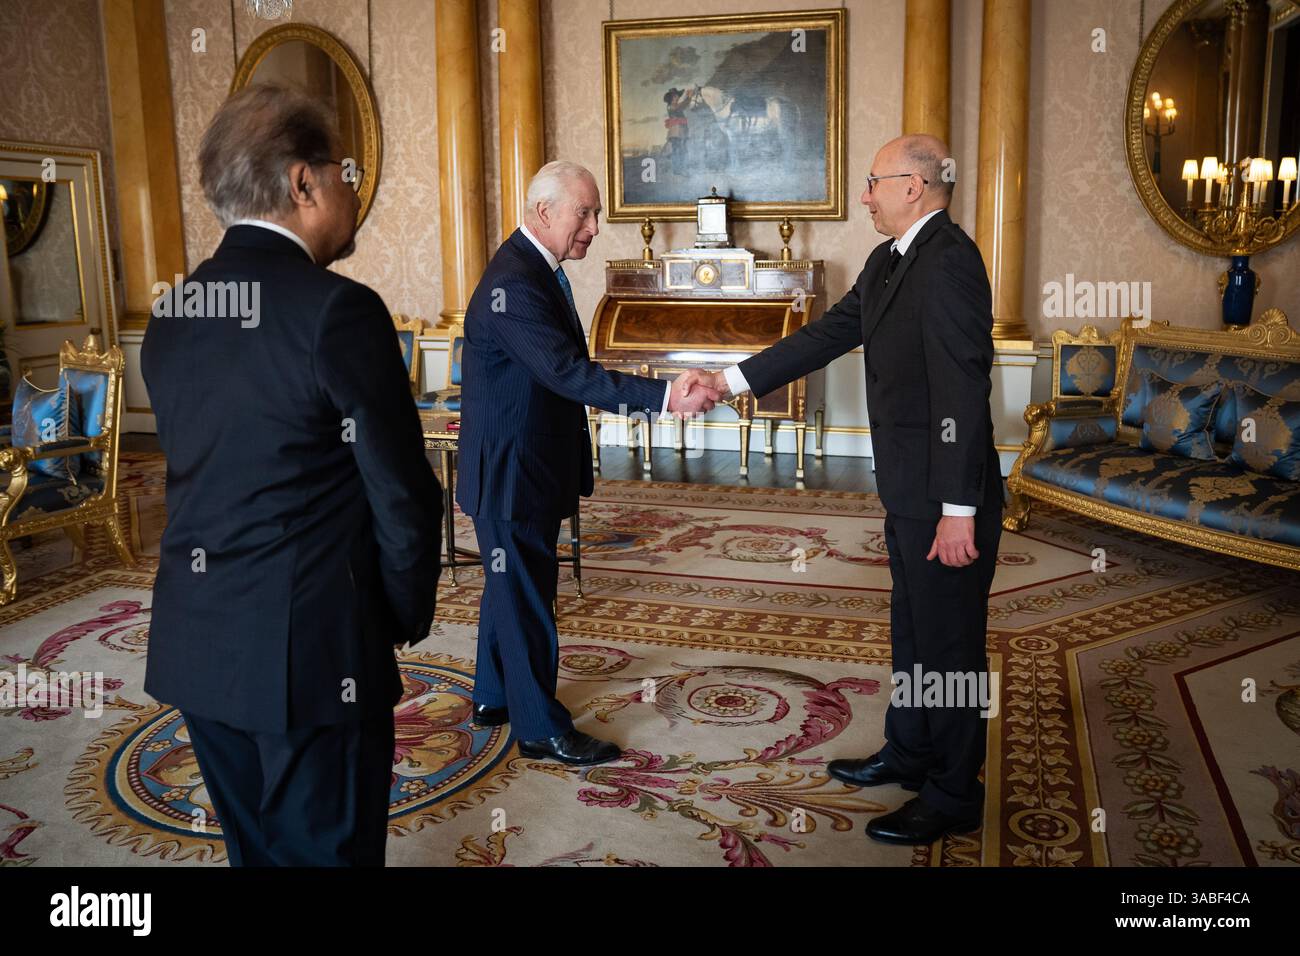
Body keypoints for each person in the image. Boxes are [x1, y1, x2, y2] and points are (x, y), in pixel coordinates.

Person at [141, 84, 444, 865]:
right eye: (344, 170)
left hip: (201, 645)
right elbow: (402, 494)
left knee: (257, 854)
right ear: (303, 182)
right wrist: (400, 615)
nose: (353, 188)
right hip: (315, 658)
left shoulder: (174, 315)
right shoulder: (338, 311)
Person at [687, 134, 1002, 844]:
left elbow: (963, 390)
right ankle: (912, 749)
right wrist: (728, 381)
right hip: (907, 488)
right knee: (914, 631)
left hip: (944, 497)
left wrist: (960, 511)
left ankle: (954, 792)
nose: (864, 196)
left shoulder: (950, 263)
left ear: (913, 187)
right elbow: (825, 334)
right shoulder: (891, 260)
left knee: (951, 647)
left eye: (872, 183)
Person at [457, 159, 720, 766]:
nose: (596, 226)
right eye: (586, 212)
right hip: (512, 471)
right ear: (544, 211)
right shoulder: (516, 281)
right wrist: (661, 396)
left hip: (521, 463)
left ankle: (495, 697)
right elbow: (565, 373)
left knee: (509, 582)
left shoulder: (533, 268)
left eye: (596, 212)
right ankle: (540, 727)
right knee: (525, 592)